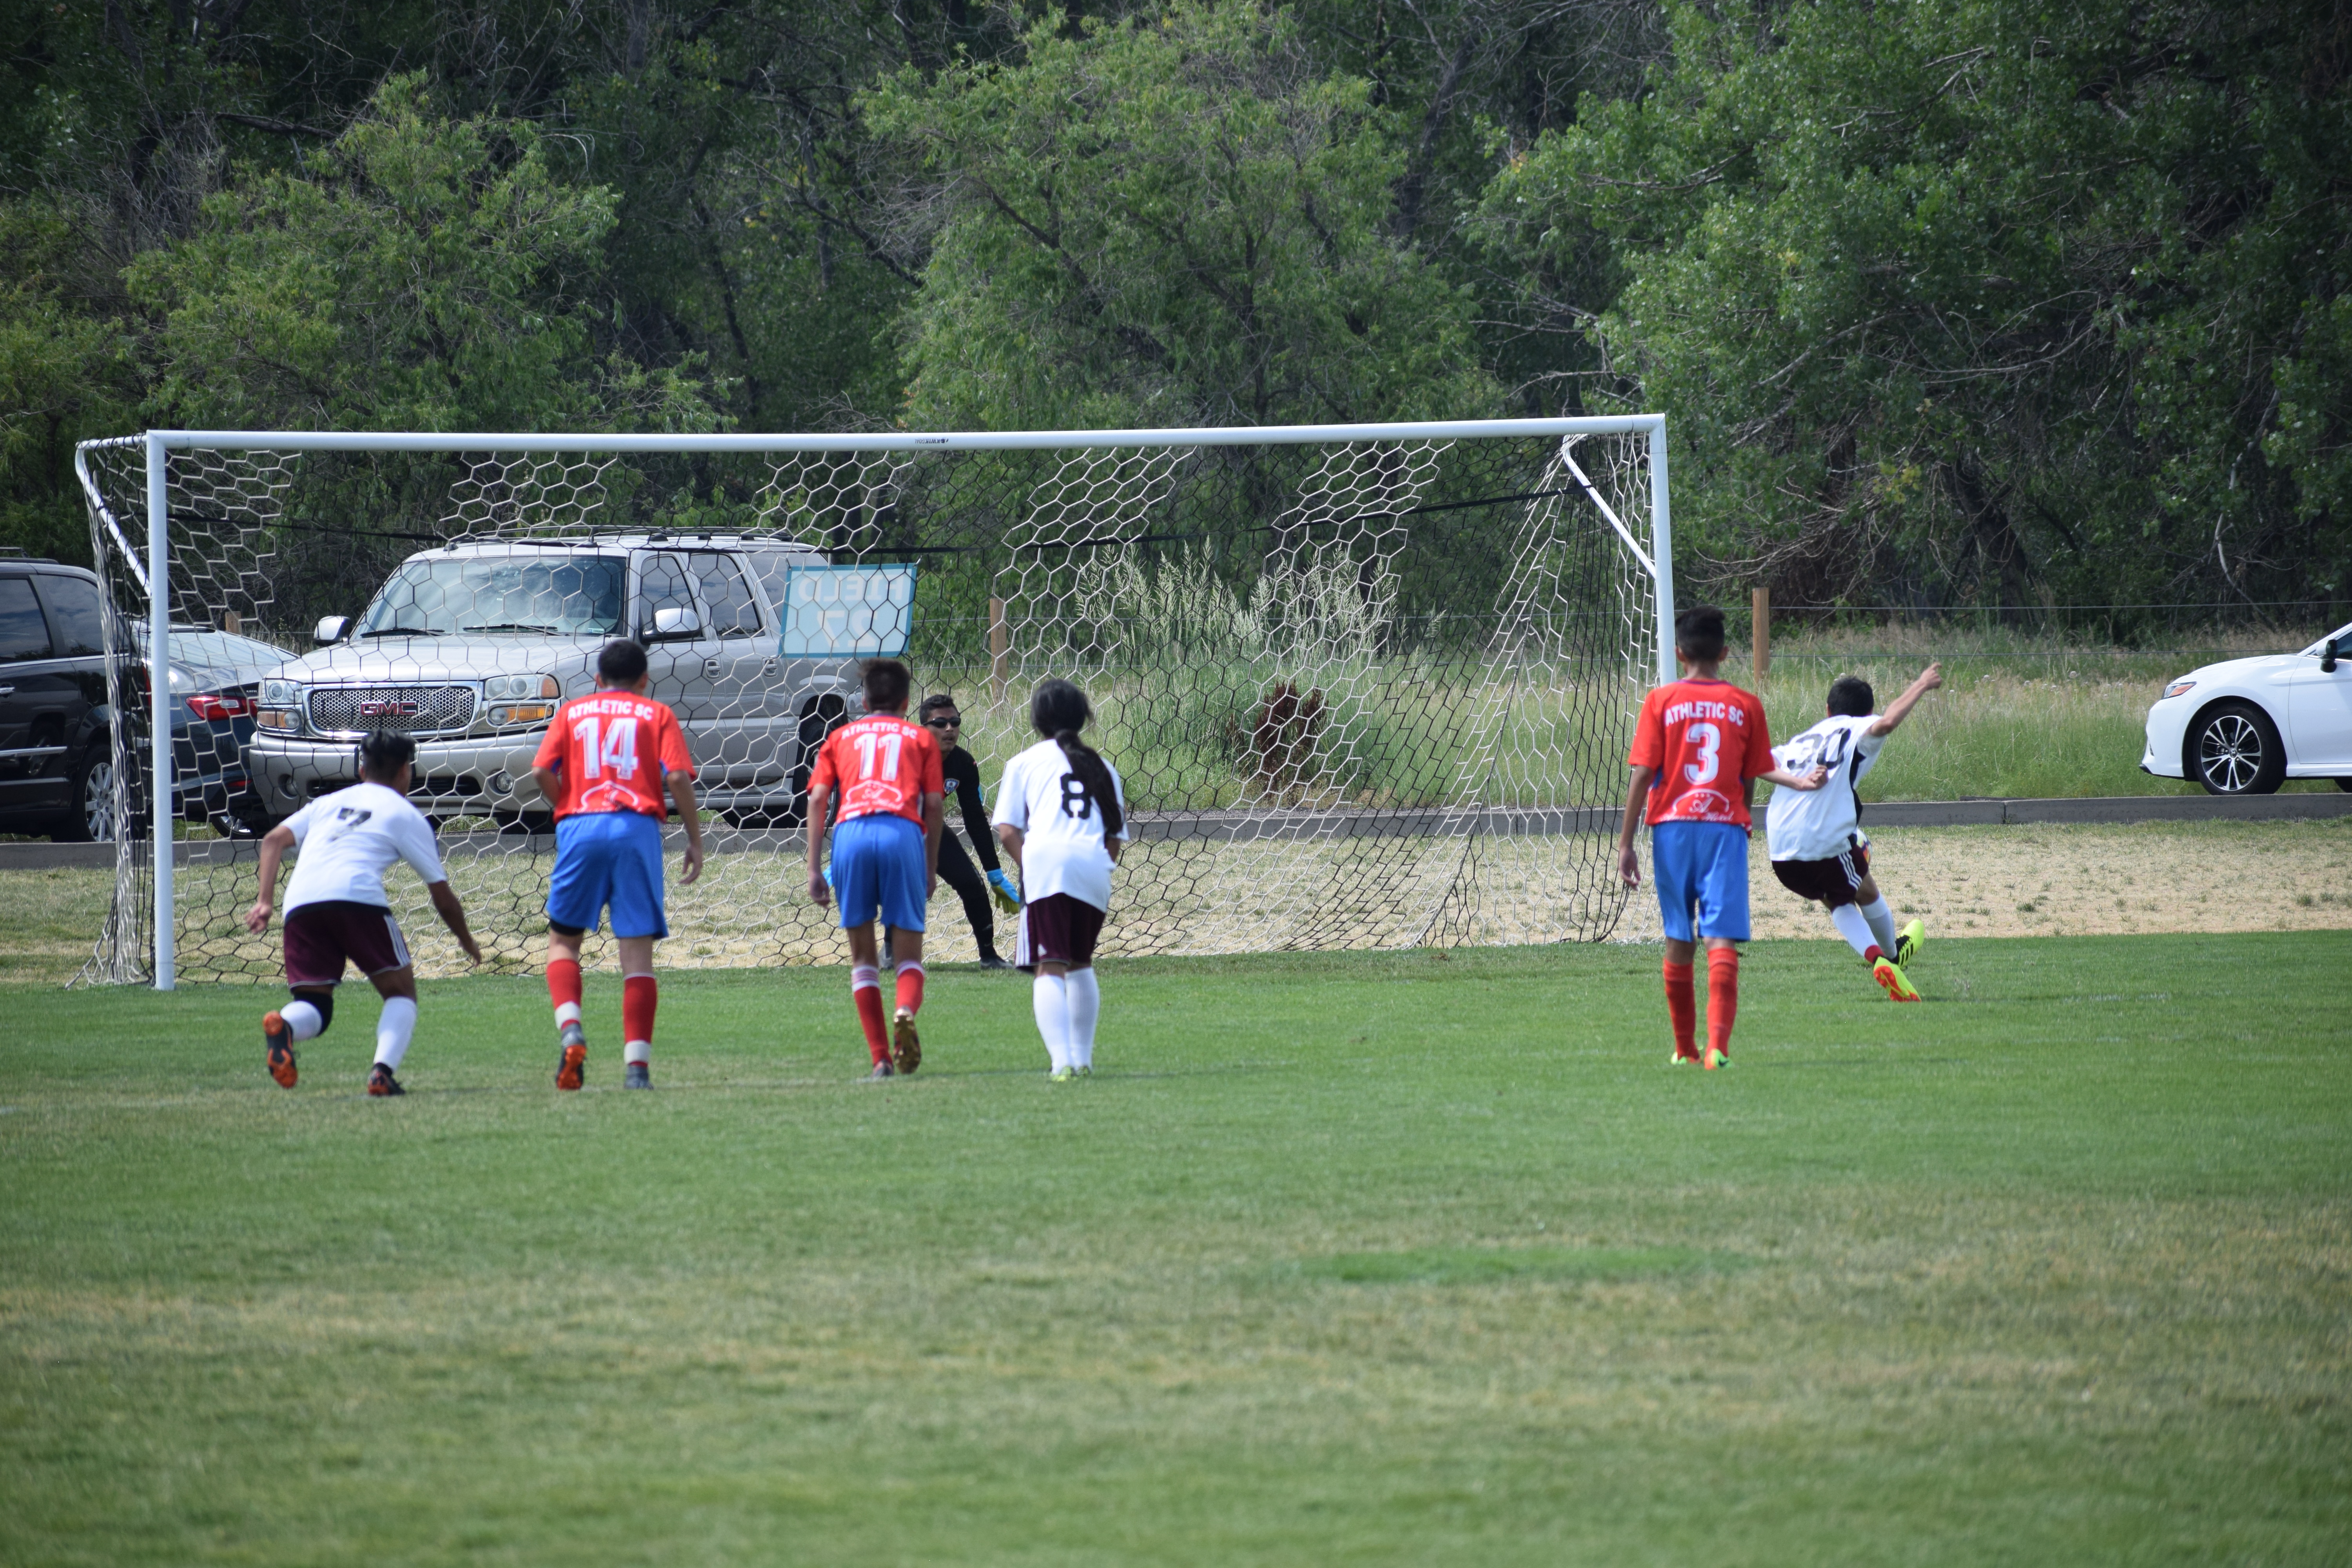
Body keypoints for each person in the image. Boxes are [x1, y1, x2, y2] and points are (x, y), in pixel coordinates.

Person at [1615, 604, 1829, 1070]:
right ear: (1726, 653)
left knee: (1678, 935)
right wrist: (1743, 818)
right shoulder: (1746, 704)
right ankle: (1718, 1048)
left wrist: (1626, 842)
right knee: (1721, 937)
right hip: (1723, 828)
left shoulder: (1661, 701)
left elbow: (1642, 773)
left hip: (1671, 830)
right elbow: (1751, 775)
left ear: (1679, 652)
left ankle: (1683, 1048)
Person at [245, 730, 483, 1096]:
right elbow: (443, 897)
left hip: (301, 903)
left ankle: (285, 1028)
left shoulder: (327, 803)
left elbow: (273, 840)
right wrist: (467, 941)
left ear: (361, 769)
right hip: (357, 899)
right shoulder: (405, 815)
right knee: (400, 993)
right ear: (406, 771)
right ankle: (381, 1074)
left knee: (314, 1005)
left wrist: (264, 901)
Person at [533, 638, 705, 1091]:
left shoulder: (572, 713)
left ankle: (572, 1030)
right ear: (645, 680)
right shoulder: (657, 715)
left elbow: (540, 771)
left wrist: (567, 803)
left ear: (596, 680)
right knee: (637, 957)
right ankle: (636, 1070)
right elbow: (675, 777)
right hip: (636, 830)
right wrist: (694, 837)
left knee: (564, 942)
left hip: (581, 826)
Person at [1766, 665, 1943, 1002]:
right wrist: (1921, 684)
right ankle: (1889, 958)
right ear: (1867, 712)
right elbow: (1887, 722)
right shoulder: (1859, 727)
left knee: (1836, 898)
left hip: (1779, 851)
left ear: (1828, 710)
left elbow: (1753, 763)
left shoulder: (1801, 741)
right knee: (1864, 887)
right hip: (1819, 844)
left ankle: (1885, 957)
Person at [806, 658, 945, 1078]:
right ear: (906, 701)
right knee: (908, 958)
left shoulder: (840, 737)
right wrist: (930, 867)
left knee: (863, 959)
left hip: (851, 835)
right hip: (901, 833)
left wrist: (815, 867)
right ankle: (904, 1009)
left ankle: (881, 1058)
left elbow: (816, 800)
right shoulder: (921, 739)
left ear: (863, 700)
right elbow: (935, 805)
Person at [992, 679, 1129, 1081]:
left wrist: (1031, 864)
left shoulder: (1024, 762)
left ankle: (1061, 1063)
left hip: (1048, 863)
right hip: (1094, 865)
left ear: (1037, 719)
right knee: (1082, 963)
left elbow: (1006, 829)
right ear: (1083, 717)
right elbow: (1114, 836)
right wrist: (1096, 867)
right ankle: (1083, 1060)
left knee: (1049, 964)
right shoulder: (1104, 767)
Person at [915, 692, 1024, 969]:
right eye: (940, 723)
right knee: (906, 888)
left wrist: (995, 873)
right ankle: (891, 954)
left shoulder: (964, 764)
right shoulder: (905, 754)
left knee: (973, 886)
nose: (949, 729)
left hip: (931, 831)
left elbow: (975, 819)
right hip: (896, 832)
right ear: (923, 729)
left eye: (955, 722)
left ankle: (989, 956)